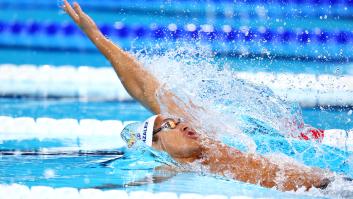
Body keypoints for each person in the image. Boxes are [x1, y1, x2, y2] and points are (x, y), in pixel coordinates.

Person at [62, 0, 334, 192]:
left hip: (333, 184)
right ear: (156, 145)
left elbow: (145, 86)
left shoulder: (210, 141)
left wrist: (97, 36)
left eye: (178, 120)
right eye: (168, 125)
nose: (181, 123)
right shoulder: (177, 170)